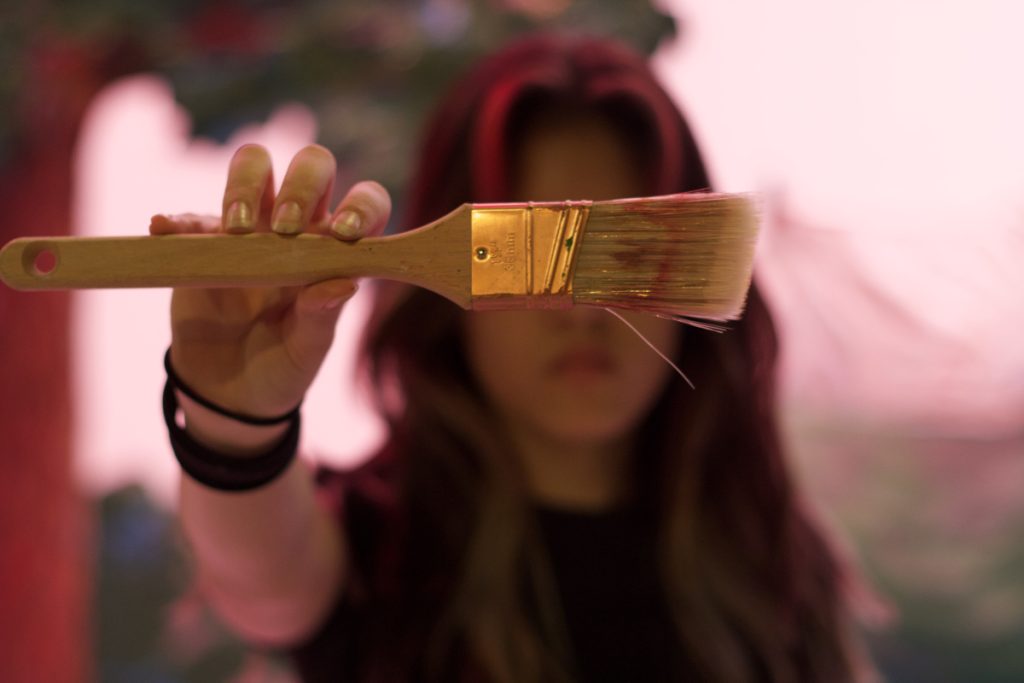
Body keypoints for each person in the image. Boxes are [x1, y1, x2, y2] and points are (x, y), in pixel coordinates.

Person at [154, 34, 876, 682]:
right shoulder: (382, 554)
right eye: (537, 260)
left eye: (624, 254)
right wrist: (232, 425)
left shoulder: (774, 562)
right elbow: (261, 573)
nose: (588, 309)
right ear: (449, 311)